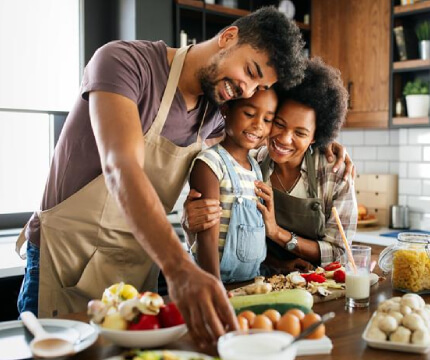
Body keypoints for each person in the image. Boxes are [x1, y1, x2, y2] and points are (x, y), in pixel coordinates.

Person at [16, 6, 310, 346]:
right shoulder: (124, 63)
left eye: (259, 84)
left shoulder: (214, 114)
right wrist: (179, 269)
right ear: (229, 37)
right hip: (67, 259)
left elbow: (254, 147)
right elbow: (121, 168)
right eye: (251, 71)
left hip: (134, 269)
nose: (247, 90)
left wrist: (325, 152)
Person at [184, 58, 358, 275]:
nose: (284, 139)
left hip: (320, 285)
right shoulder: (252, 162)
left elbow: (339, 251)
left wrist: (277, 233)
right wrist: (191, 219)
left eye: (300, 133)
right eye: (279, 123)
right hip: (261, 282)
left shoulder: (335, 174)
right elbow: (219, 234)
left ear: (316, 137)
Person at [189, 89, 277, 283]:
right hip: (212, 281)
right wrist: (214, 287)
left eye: (267, 119)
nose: (258, 125)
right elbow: (207, 238)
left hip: (250, 282)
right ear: (225, 109)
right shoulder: (210, 163)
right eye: (249, 114)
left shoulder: (256, 168)